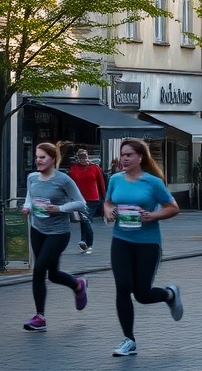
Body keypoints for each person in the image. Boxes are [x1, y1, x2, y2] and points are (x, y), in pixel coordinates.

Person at [103, 138, 182, 356]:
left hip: (147, 243)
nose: (124, 159)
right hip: (121, 240)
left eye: (129, 155)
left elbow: (173, 208)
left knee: (142, 294)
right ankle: (129, 339)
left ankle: (169, 295)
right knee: (122, 288)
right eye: (122, 154)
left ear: (140, 157)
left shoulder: (153, 182)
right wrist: (108, 210)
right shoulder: (115, 180)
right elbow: (108, 201)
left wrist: (153, 215)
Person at [21, 142, 89, 332]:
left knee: (39, 269)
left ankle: (40, 317)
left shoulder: (63, 180)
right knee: (53, 274)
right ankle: (78, 284)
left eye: (42, 157)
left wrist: (59, 208)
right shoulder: (32, 177)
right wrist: (27, 206)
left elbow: (80, 203)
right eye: (37, 157)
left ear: (52, 159)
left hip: (58, 233)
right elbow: (30, 195)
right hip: (37, 229)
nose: (38, 161)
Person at [69, 147, 106, 255]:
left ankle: (86, 242)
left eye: (84, 156)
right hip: (79, 199)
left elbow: (101, 183)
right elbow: (70, 185)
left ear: (88, 156)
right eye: (81, 157)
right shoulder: (73, 169)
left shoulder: (95, 168)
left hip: (93, 199)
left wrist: (104, 199)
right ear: (77, 158)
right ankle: (85, 243)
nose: (83, 159)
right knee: (84, 221)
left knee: (86, 220)